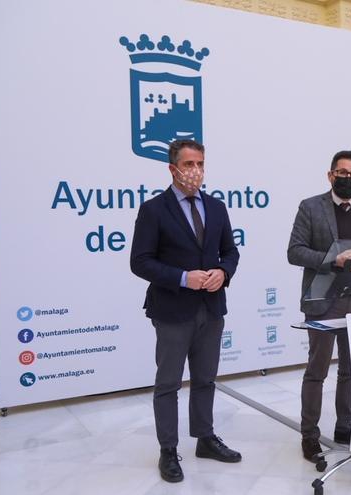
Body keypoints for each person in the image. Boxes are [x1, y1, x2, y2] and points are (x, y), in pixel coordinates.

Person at [130, 139, 242, 483]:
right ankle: (168, 450)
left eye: (201, 164)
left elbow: (230, 252)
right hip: (172, 309)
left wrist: (223, 273)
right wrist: (183, 278)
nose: (196, 171)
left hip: (212, 308)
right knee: (168, 383)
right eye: (189, 164)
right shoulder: (154, 210)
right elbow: (140, 261)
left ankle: (205, 438)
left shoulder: (217, 207)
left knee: (206, 378)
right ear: (173, 168)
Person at [287, 150, 351, 462]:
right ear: (330, 175)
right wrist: (334, 259)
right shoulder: (311, 207)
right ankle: (310, 434)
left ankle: (345, 426)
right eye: (341, 173)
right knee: (317, 370)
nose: (347, 178)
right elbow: (295, 251)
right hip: (322, 300)